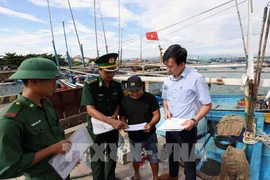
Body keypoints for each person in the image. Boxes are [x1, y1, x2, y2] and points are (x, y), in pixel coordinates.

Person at [0, 57, 73, 179]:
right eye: (52, 80)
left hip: (62, 172)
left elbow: (56, 138)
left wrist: (69, 158)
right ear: (34, 81)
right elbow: (8, 168)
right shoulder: (11, 120)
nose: (56, 85)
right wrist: (52, 149)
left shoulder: (46, 104)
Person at [159, 44, 212, 180]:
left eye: (171, 66)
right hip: (171, 125)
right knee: (172, 152)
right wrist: (166, 110)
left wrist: (194, 120)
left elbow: (207, 104)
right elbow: (165, 98)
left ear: (182, 64)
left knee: (188, 160)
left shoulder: (196, 79)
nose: (168, 69)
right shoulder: (168, 81)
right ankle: (173, 176)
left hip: (187, 127)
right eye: (167, 66)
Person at [81, 53, 128, 180]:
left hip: (112, 127)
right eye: (108, 72)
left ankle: (110, 177)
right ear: (99, 70)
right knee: (97, 157)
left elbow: (119, 102)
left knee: (112, 153)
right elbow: (90, 109)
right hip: (97, 129)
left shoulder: (117, 85)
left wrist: (116, 115)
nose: (111, 75)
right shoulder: (90, 85)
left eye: (113, 71)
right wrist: (110, 121)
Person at [119, 75, 160, 180]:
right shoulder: (124, 101)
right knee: (136, 158)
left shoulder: (150, 98)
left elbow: (156, 114)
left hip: (149, 135)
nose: (134, 93)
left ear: (142, 87)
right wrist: (123, 124)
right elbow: (122, 117)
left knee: (154, 158)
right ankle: (136, 174)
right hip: (134, 136)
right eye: (131, 91)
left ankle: (155, 177)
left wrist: (150, 124)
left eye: (137, 90)